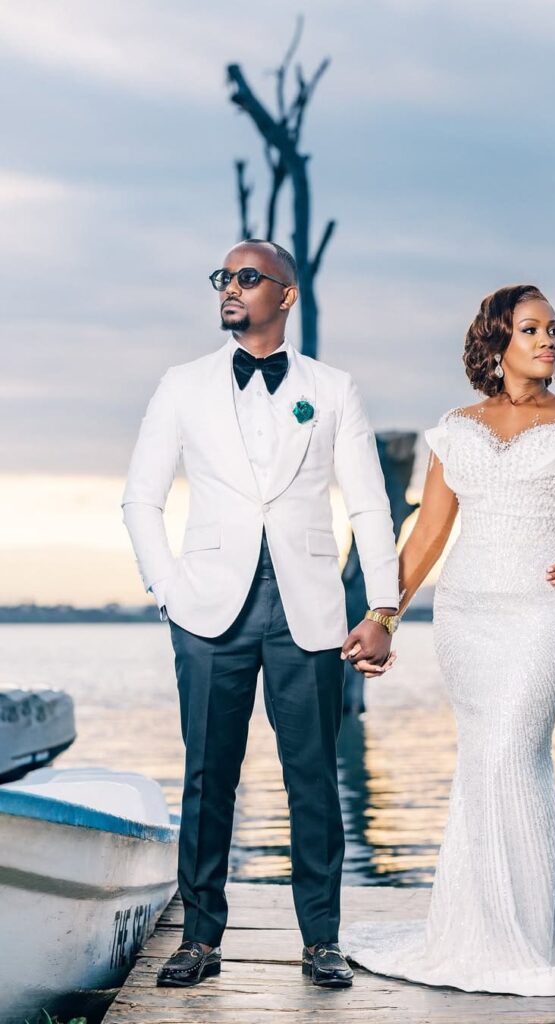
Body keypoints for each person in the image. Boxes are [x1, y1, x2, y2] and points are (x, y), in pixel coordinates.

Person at [341, 284, 555, 995]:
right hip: (466, 617)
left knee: (511, 751)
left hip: (546, 615)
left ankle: (534, 947)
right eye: (531, 329)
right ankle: (493, 932)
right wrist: (384, 617)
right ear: (497, 341)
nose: (548, 339)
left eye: (554, 329)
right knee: (487, 761)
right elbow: (427, 536)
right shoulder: (455, 428)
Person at [121, 239, 400, 989]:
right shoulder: (181, 385)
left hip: (309, 608)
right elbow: (141, 499)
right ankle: (199, 939)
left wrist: (383, 608)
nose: (231, 287)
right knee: (207, 776)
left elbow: (369, 504)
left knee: (313, 779)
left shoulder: (333, 389)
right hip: (207, 608)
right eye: (224, 277)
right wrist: (169, 590)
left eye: (248, 277)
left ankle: (321, 941)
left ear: (286, 295)